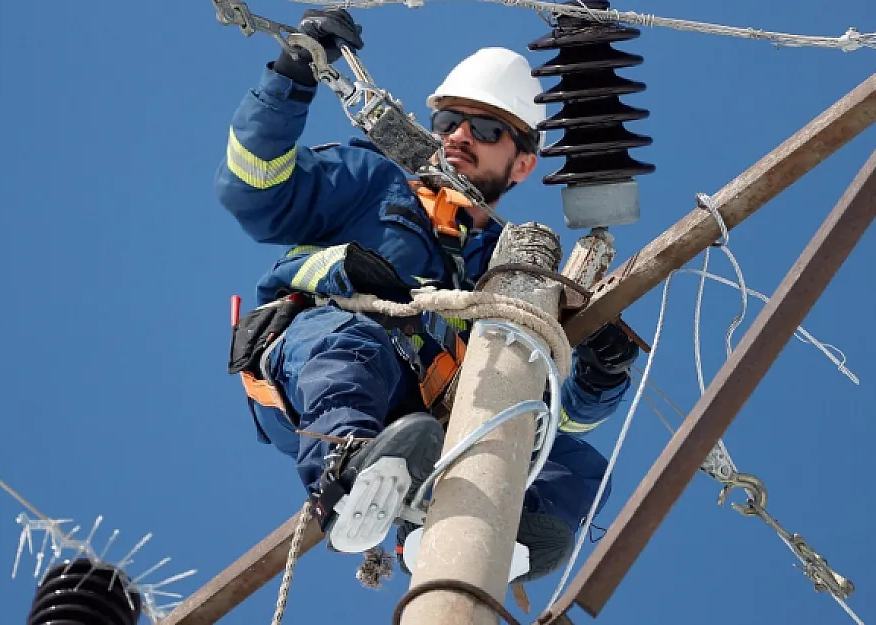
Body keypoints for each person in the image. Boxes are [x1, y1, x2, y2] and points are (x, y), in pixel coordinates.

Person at [216, 8, 639, 582]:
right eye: (448, 121)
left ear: (522, 164)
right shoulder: (371, 181)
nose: (460, 137)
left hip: (429, 415)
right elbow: (253, 189)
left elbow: (549, 408)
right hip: (323, 364)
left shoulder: (512, 268)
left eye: (487, 129)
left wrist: (598, 375)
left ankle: (472, 536)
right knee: (354, 344)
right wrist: (292, 74)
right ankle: (345, 478)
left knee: (579, 469)